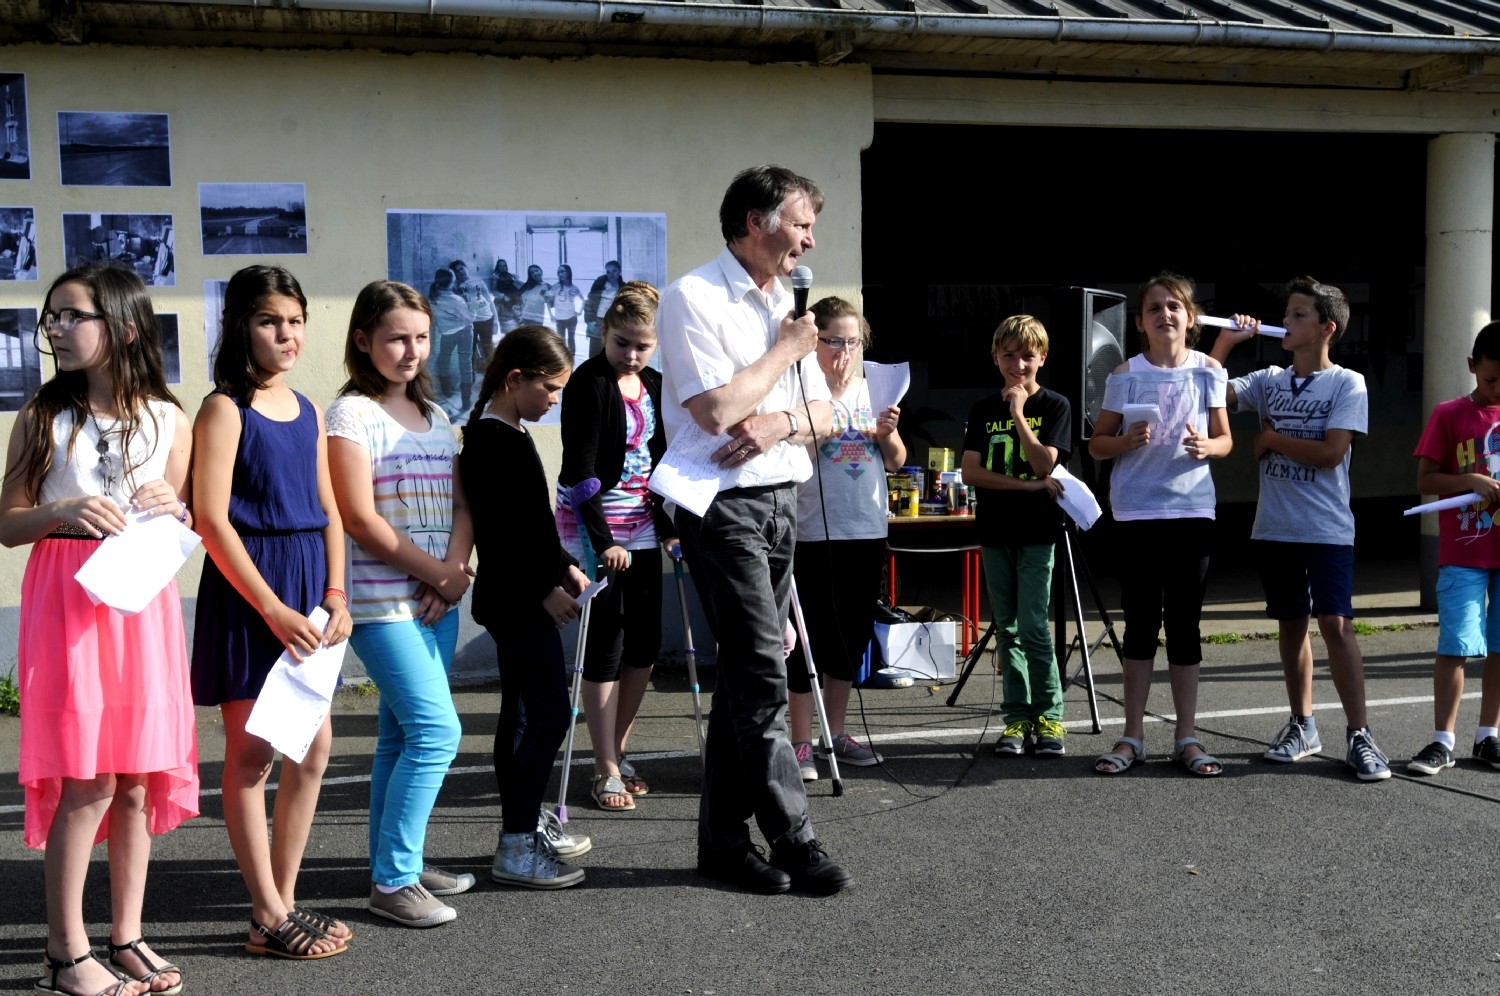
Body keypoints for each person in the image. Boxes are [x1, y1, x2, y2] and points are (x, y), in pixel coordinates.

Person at [1, 262, 197, 996]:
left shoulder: (170, 418)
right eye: (50, 317)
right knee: (87, 781)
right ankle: (64, 950)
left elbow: (189, 515)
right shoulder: (40, 416)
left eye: (69, 315)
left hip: (142, 604)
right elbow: (6, 524)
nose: (54, 328)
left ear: (121, 323)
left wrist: (172, 508)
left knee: (139, 782)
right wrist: (61, 511)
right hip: (68, 598)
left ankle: (128, 934)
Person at [658, 164, 849, 895]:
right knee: (763, 671)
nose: (809, 238)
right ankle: (793, 836)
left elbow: (828, 415)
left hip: (781, 502)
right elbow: (714, 412)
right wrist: (785, 356)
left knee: (747, 677)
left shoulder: (790, 305)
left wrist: (781, 420)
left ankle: (721, 846)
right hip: (724, 505)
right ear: (754, 222)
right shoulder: (694, 297)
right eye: (800, 223)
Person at [190, 265, 356, 962]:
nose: (285, 334)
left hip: (311, 596)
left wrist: (337, 593)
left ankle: (277, 907)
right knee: (253, 757)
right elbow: (210, 518)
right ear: (240, 326)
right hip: (250, 592)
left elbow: (329, 512)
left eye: (294, 320)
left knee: (312, 750)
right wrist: (272, 607)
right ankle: (267, 909)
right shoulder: (224, 408)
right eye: (268, 321)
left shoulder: (312, 410)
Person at [326, 280, 476, 929]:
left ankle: (401, 863)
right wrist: (439, 574)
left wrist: (454, 573)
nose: (411, 349)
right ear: (364, 340)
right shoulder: (349, 415)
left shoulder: (439, 419)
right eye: (396, 337)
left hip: (436, 600)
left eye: (419, 337)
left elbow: (461, 506)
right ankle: (392, 883)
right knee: (439, 733)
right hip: (380, 603)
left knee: (399, 738)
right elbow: (358, 519)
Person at [1209, 277, 1390, 781]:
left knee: (1335, 625)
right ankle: (1303, 724)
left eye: (1297, 316)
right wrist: (1226, 341)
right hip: (1276, 527)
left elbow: (1333, 453)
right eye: (1285, 315)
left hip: (1328, 528)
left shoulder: (1347, 383)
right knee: (1291, 624)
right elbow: (1205, 389)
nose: (1285, 323)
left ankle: (1360, 734)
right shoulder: (1267, 378)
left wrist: (1271, 438)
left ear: (1326, 328)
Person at [1088, 272, 1232, 777]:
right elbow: (1096, 443)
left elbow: (1225, 440)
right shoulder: (1125, 373)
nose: (1165, 314)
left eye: (1175, 306)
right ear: (1140, 322)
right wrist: (1126, 441)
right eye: (1155, 308)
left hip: (1193, 511)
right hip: (1137, 512)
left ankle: (1187, 737)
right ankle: (1132, 736)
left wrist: (1207, 447)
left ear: (1190, 318)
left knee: (1186, 625)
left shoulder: (1209, 370)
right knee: (1141, 624)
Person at [460, 326, 589, 888]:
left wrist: (564, 564)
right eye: (551, 388)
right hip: (516, 602)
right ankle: (515, 845)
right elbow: (502, 534)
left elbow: (532, 527)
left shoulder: (510, 433)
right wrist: (547, 588)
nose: (555, 399)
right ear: (516, 380)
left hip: (521, 594)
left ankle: (523, 825)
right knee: (550, 716)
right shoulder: (491, 441)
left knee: (519, 718)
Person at [554, 281, 674, 812]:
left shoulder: (653, 382)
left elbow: (665, 459)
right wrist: (601, 542)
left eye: (641, 345)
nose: (631, 354)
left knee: (645, 643)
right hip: (596, 523)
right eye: (622, 342)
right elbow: (580, 471)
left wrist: (671, 526)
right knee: (607, 643)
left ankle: (617, 748)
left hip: (645, 523)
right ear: (603, 332)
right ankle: (603, 767)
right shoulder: (588, 383)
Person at [787, 296, 904, 780]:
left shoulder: (874, 389)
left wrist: (887, 433)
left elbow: (896, 460)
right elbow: (789, 451)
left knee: (850, 637)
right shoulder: (800, 389)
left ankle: (833, 734)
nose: (844, 351)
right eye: (834, 341)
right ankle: (798, 743)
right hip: (813, 530)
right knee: (807, 638)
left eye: (853, 342)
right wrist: (821, 426)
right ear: (815, 343)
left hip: (866, 527)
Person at [960, 314, 1072, 758]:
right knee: (1005, 628)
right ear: (995, 358)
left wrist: (1019, 414)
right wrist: (1026, 487)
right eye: (1009, 355)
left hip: (1037, 532)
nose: (1018, 364)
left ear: (1042, 358)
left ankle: (1050, 718)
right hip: (995, 530)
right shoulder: (981, 408)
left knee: (1033, 627)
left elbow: (1046, 465)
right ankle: (1016, 719)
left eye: (1028, 356)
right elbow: (971, 473)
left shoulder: (1055, 406)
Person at [1406, 319, 1500, 776]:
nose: (1498, 389)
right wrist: (1470, 480)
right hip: (1464, 551)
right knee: (1455, 644)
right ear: (1471, 367)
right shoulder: (1449, 413)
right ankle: (1443, 739)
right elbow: (1425, 480)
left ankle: (1489, 736)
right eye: (1491, 380)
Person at [428, 267, 474, 420]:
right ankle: (466, 402)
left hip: (447, 333)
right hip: (464, 331)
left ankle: (447, 391)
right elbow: (470, 317)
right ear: (453, 281)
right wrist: (470, 301)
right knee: (465, 363)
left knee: (443, 359)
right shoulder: (457, 299)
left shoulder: (432, 298)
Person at [451, 260, 496, 376]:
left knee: (488, 347)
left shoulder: (478, 281)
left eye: (461, 268)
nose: (460, 272)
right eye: (457, 271)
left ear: (466, 267)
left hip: (487, 318)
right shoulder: (455, 286)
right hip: (470, 322)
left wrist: (495, 319)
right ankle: (470, 376)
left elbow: (489, 299)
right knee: (470, 350)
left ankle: (493, 373)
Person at [549, 264, 587, 359]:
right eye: (558, 272)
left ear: (568, 273)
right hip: (559, 318)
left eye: (562, 271)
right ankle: (562, 359)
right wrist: (551, 315)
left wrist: (579, 311)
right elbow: (548, 300)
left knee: (571, 339)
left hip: (571, 318)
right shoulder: (555, 287)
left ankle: (572, 360)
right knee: (561, 340)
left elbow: (583, 300)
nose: (560, 274)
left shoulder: (574, 287)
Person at [584, 260, 624, 347]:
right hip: (597, 320)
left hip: (612, 321)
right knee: (595, 348)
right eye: (608, 272)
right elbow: (589, 302)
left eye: (614, 271)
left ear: (620, 271)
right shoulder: (599, 284)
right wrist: (589, 320)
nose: (611, 274)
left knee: (609, 347)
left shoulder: (623, 287)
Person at [491, 258, 522, 334]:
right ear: (497, 267)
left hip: (516, 301)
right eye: (500, 266)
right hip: (504, 303)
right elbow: (494, 291)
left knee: (519, 328)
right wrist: (503, 296)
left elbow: (521, 287)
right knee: (508, 330)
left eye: (504, 265)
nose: (503, 267)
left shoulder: (512, 276)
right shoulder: (496, 277)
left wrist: (516, 280)